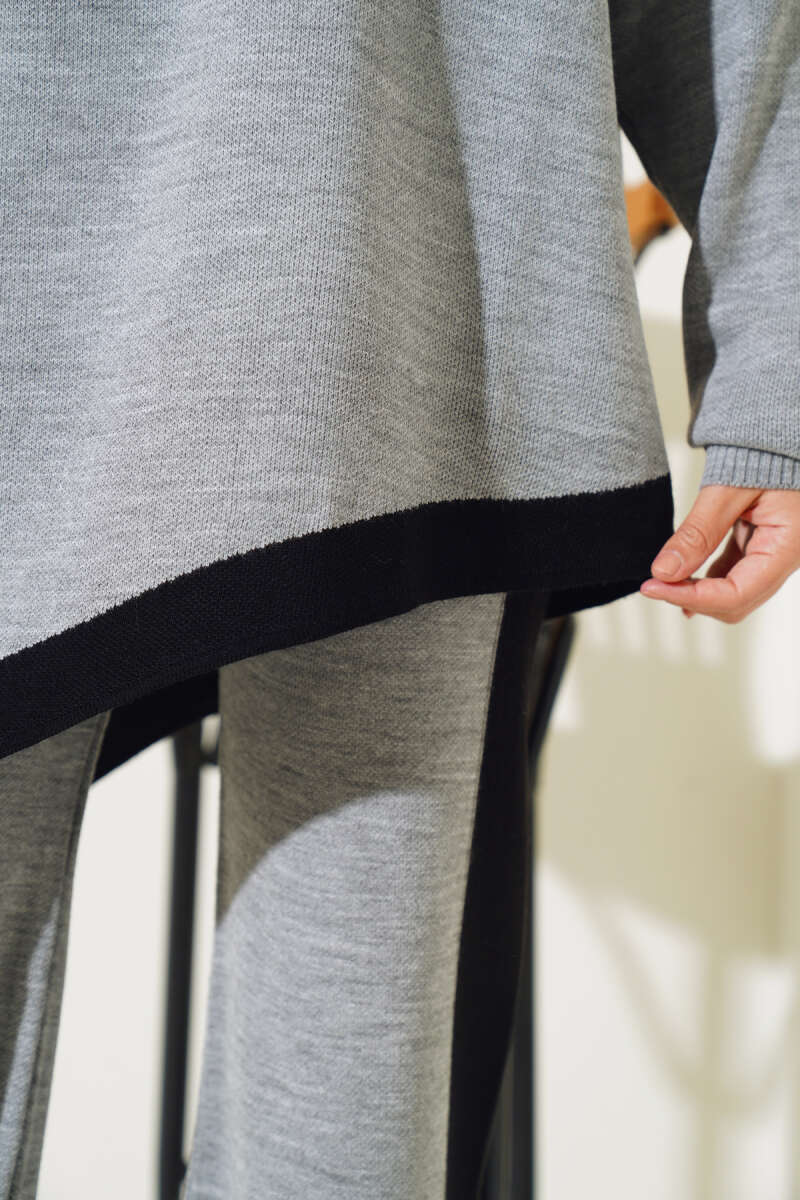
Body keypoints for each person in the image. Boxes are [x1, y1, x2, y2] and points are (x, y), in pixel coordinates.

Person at [1, 1, 798, 1197]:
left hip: (400, 289)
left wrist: (778, 372)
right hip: (352, 269)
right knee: (348, 1056)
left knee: (344, 1068)